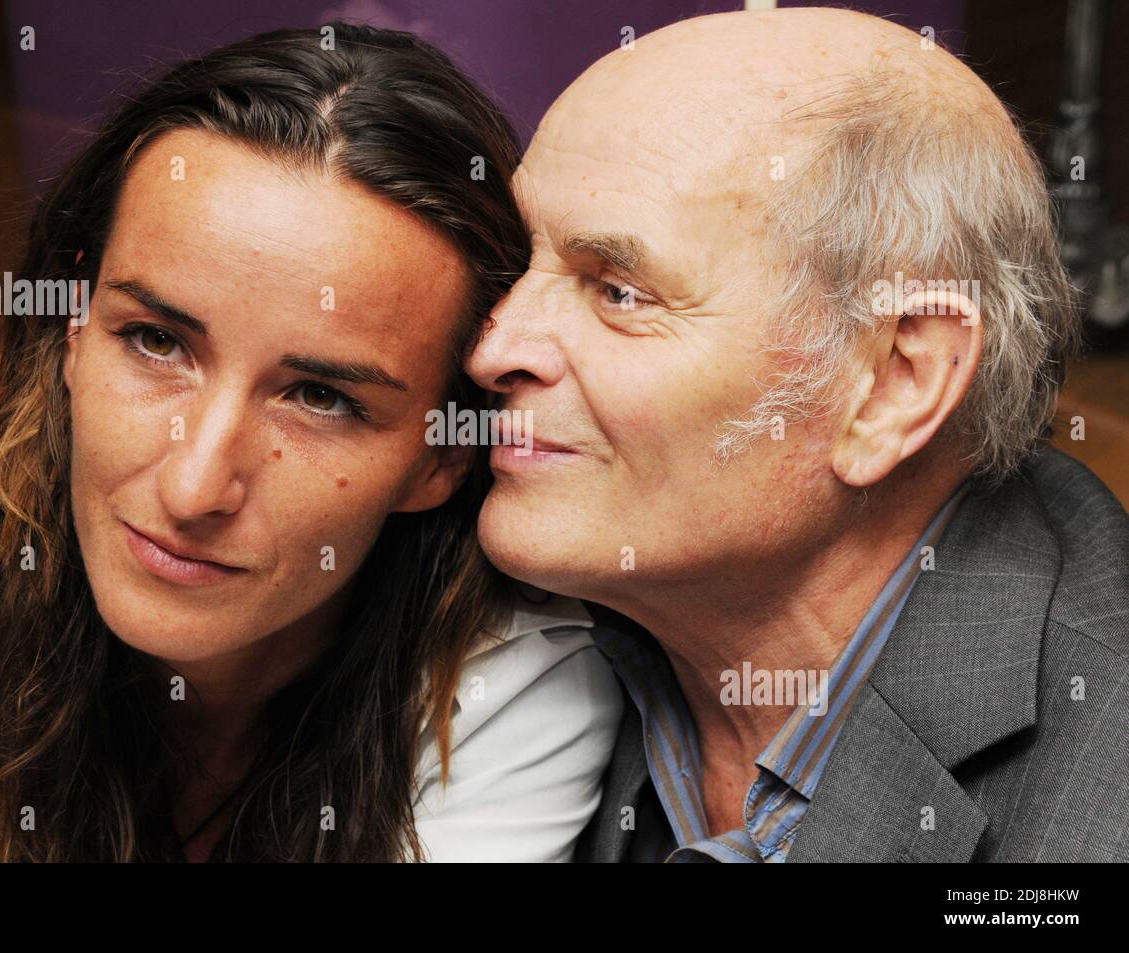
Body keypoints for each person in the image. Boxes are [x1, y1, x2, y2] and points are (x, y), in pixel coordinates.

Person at [0, 24, 622, 862]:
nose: (194, 484)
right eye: (156, 341)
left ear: (442, 455)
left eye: (321, 397)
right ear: (73, 324)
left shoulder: (508, 687)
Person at [462, 8, 1129, 861]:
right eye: (522, 264)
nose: (494, 348)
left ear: (895, 384)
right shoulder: (500, 638)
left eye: (619, 291)